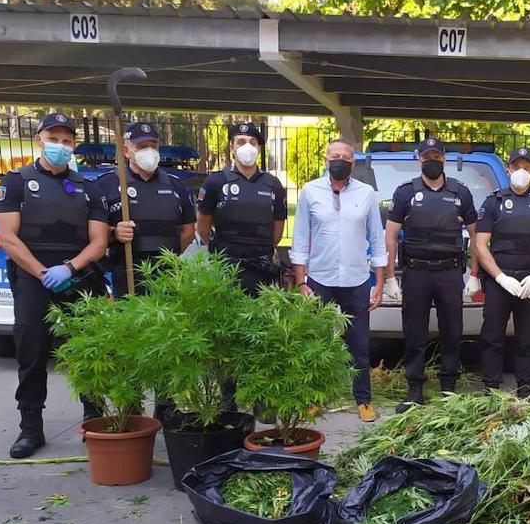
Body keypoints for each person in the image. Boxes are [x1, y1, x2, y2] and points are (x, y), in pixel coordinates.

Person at [0, 112, 109, 458]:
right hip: (33, 280)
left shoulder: (89, 188)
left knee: (88, 351)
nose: (60, 145)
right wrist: (42, 272)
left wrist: (69, 268)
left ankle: (94, 418)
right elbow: (7, 238)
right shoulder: (17, 182)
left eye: (67, 140)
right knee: (31, 352)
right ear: (39, 139)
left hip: (79, 278)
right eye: (53, 138)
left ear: (74, 145)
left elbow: (99, 241)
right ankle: (30, 428)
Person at [290, 139, 388, 422]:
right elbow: (300, 239)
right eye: (335, 156)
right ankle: (314, 398)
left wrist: (379, 283)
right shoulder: (311, 191)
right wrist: (301, 281)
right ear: (326, 160)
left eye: (346, 157)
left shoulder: (366, 194)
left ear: (353, 163)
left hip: (357, 280)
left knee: (359, 346)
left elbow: (377, 240)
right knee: (317, 342)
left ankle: (363, 400)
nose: (340, 161)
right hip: (320, 278)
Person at [383, 137, 480, 412]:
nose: (432, 161)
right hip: (417, 273)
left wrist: (474, 274)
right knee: (414, 333)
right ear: (419, 160)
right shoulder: (405, 192)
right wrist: (390, 277)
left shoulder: (460, 192)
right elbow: (390, 237)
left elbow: (476, 236)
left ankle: (449, 390)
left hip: (449, 272)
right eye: (427, 157)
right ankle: (415, 390)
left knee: (452, 332)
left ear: (444, 159)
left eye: (437, 157)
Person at [474, 146, 530, 398]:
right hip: (499, 281)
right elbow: (480, 245)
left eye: (526, 167)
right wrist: (500, 277)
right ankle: (491, 391)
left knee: (527, 340)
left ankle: (525, 392)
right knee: (492, 338)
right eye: (516, 167)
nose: (521, 171)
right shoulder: (493, 202)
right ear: (508, 170)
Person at [100, 121, 196, 296]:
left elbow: (188, 230)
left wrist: (168, 257)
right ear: (126, 150)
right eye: (142, 146)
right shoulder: (107, 184)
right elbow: (94, 232)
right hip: (127, 272)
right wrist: (114, 233)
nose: (149, 151)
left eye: (153, 146)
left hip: (168, 273)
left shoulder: (177, 185)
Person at [196, 122, 287, 293]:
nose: (247, 147)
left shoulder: (273, 184)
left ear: (258, 148)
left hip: (261, 270)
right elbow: (202, 227)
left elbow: (278, 231)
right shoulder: (215, 182)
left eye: (252, 142)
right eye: (241, 142)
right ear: (231, 146)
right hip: (225, 268)